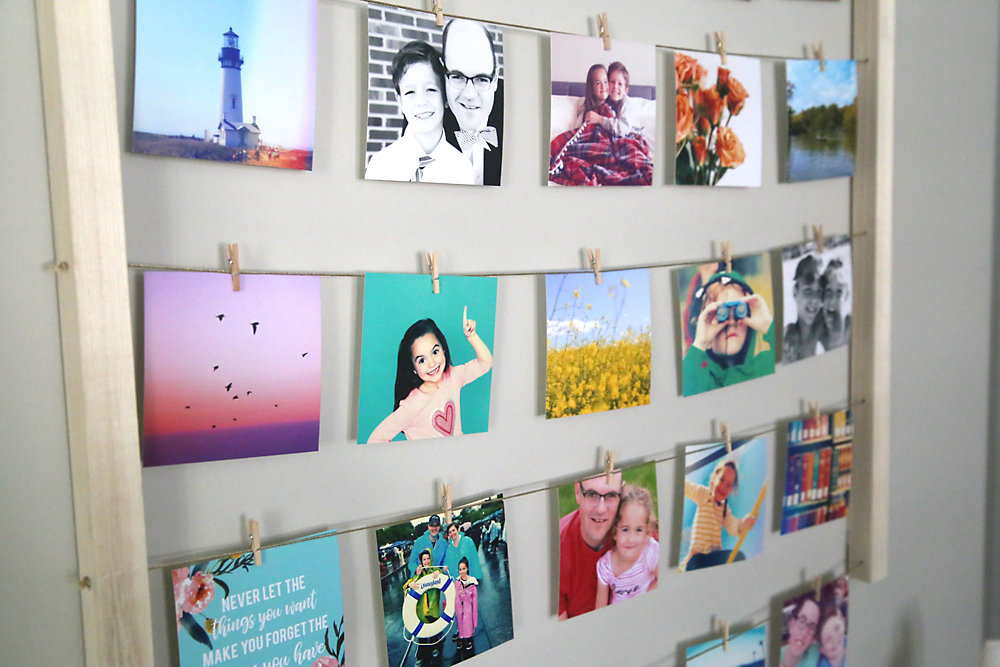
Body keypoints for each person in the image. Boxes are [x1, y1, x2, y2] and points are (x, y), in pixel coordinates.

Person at [367, 310, 492, 442]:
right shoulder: (411, 406)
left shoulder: (453, 376)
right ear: (413, 369)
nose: (432, 363)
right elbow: (375, 440)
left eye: (435, 352)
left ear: (443, 349)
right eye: (421, 360)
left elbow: (486, 362)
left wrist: (472, 337)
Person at [365, 40, 474, 184]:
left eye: (431, 89)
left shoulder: (462, 168)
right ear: (400, 101)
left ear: (445, 96)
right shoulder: (381, 165)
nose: (421, 101)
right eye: (410, 92)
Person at [682, 270, 775, 396]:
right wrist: (700, 343)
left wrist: (768, 325)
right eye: (719, 314)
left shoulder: (767, 366)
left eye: (739, 310)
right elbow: (679, 393)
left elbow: (795, 359)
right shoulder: (701, 384)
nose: (731, 322)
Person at [441, 18, 504, 186]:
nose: (470, 94)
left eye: (482, 79)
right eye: (457, 77)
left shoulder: (519, 112)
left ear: (495, 79)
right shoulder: (426, 110)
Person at [558, 471, 623, 620]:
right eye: (592, 495)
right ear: (577, 492)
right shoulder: (555, 552)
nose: (601, 509)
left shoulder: (635, 530)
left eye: (611, 495)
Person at [681, 459, 757, 571]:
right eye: (722, 479)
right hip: (698, 558)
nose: (724, 487)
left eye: (729, 485)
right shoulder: (703, 494)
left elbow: (733, 527)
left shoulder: (724, 509)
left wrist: (743, 524)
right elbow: (687, 488)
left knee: (738, 557)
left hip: (714, 557)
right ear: (714, 477)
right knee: (695, 565)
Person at [594, 485, 659, 607]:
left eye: (639, 530)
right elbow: (600, 609)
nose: (631, 539)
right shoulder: (605, 567)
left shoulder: (649, 551)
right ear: (615, 532)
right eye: (625, 530)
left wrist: (648, 596)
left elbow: (666, 580)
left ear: (646, 531)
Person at [783, 254, 824, 362]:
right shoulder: (785, 343)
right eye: (808, 290)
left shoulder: (826, 332)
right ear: (795, 292)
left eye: (819, 291)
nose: (815, 299)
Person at [591, 62, 645, 138]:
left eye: (620, 84)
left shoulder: (627, 104)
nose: (615, 87)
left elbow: (622, 129)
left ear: (626, 91)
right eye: (612, 81)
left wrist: (600, 119)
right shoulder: (607, 102)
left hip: (631, 135)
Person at [818, 258, 851, 351]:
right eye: (828, 291)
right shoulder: (815, 332)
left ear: (847, 296)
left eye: (839, 292)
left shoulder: (855, 329)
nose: (832, 300)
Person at [781, 596, 822, 667]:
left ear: (813, 639)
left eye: (812, 627)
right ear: (792, 624)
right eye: (802, 621)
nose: (804, 633)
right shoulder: (771, 656)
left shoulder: (816, 653)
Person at [453, 557, 479, 660]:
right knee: (460, 624)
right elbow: (454, 594)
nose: (461, 571)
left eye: (463, 569)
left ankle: (468, 639)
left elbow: (474, 600)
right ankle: (461, 638)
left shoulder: (472, 584)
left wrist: (474, 613)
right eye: (460, 569)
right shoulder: (457, 582)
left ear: (467, 568)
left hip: (468, 608)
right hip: (460, 608)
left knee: (468, 624)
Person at [576, 64, 609, 129]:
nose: (603, 86)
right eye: (598, 83)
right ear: (592, 88)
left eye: (605, 82)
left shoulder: (613, 109)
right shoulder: (587, 113)